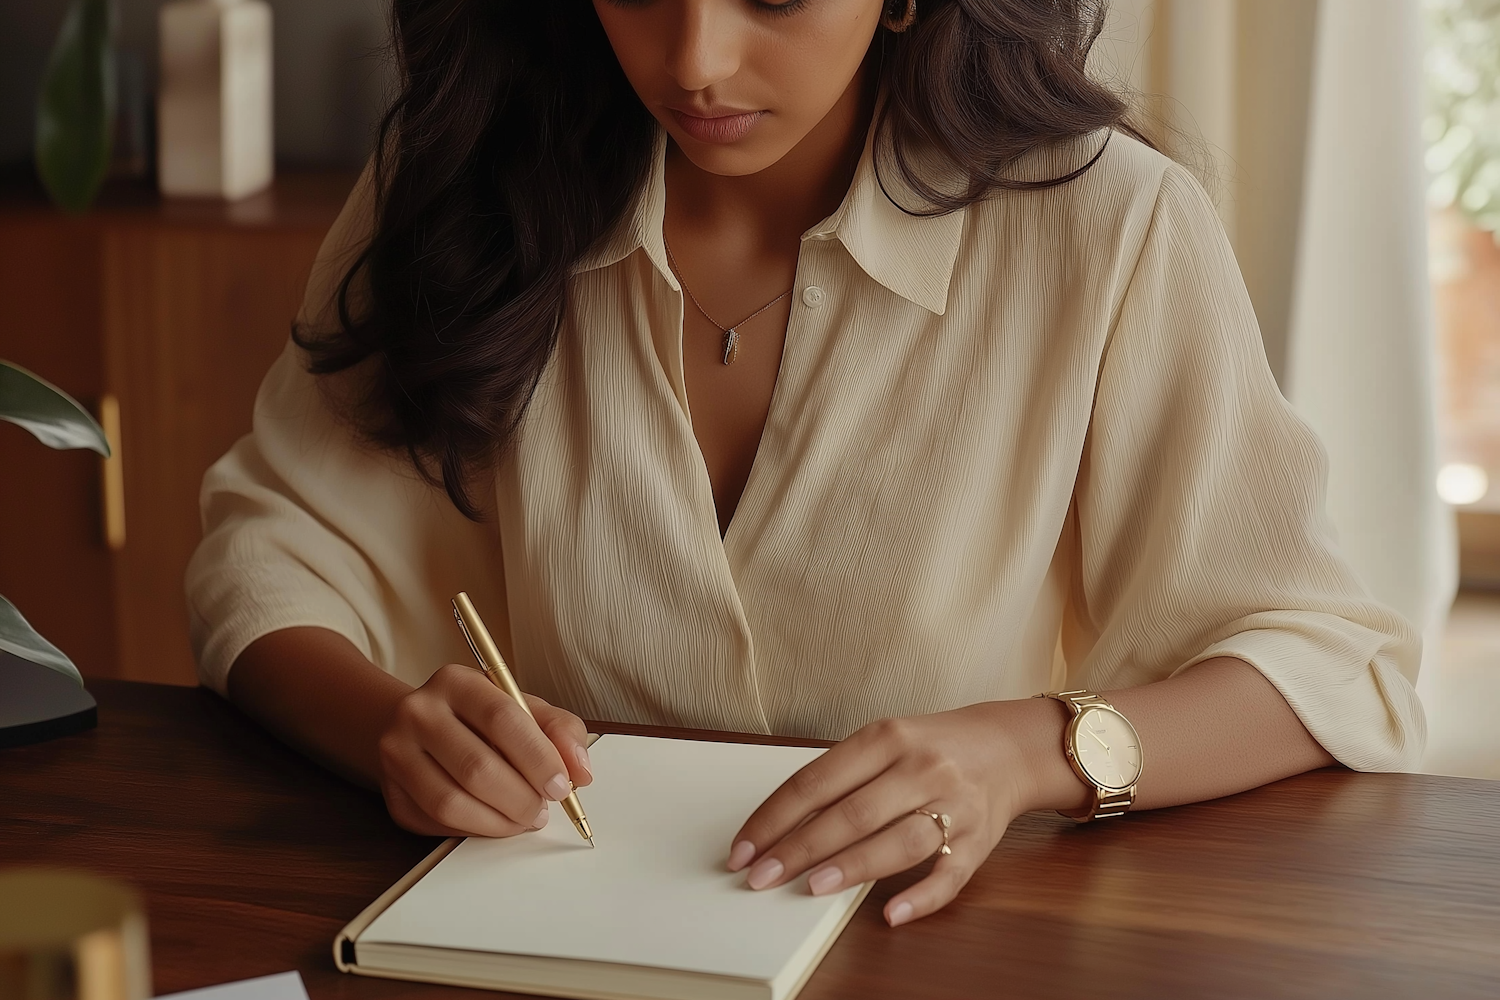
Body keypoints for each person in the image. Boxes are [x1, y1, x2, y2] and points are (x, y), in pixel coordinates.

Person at [186, 0, 1424, 928]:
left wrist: (1022, 751)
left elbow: (1326, 663)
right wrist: (394, 728)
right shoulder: (462, 185)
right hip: (554, 939)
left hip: (941, 951)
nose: (696, 61)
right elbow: (267, 552)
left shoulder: (1110, 227)